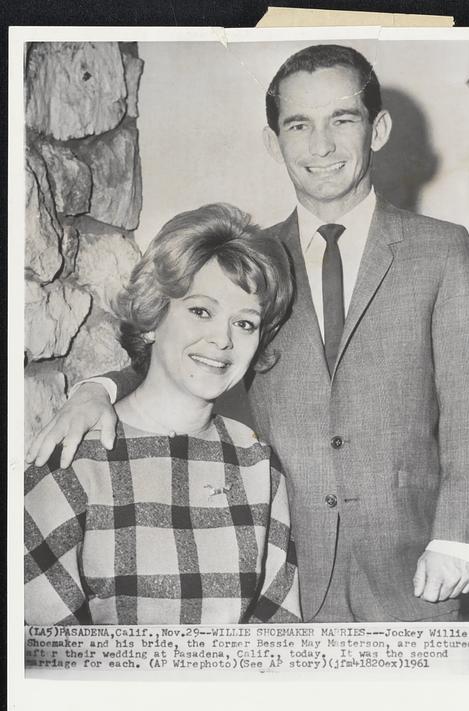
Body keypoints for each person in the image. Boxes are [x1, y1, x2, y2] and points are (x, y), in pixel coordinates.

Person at [27, 45, 469, 623]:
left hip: (415, 573)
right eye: (299, 124)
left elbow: (468, 407)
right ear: (274, 143)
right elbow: (186, 350)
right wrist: (96, 387)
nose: (320, 146)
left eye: (342, 120)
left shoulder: (441, 248)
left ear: (378, 129)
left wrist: (458, 537)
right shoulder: (253, 263)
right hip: (283, 571)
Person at [24, 203, 300, 625]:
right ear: (154, 315)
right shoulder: (73, 457)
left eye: (245, 323)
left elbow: (279, 632)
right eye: (201, 311)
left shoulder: (257, 463)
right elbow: (43, 652)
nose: (222, 340)